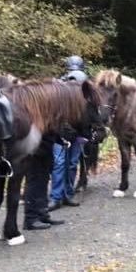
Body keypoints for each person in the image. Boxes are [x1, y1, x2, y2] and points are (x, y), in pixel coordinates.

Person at [48, 56, 89, 211]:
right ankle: (56, 196)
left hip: (77, 134)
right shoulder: (58, 88)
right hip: (61, 134)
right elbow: (54, 112)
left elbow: (88, 113)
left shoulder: (86, 89)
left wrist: (86, 133)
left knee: (72, 164)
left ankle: (68, 193)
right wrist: (62, 130)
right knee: (59, 164)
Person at [24, 137, 65, 230]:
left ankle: (42, 214)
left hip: (46, 146)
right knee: (34, 181)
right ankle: (30, 218)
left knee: (43, 179)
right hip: (33, 147)